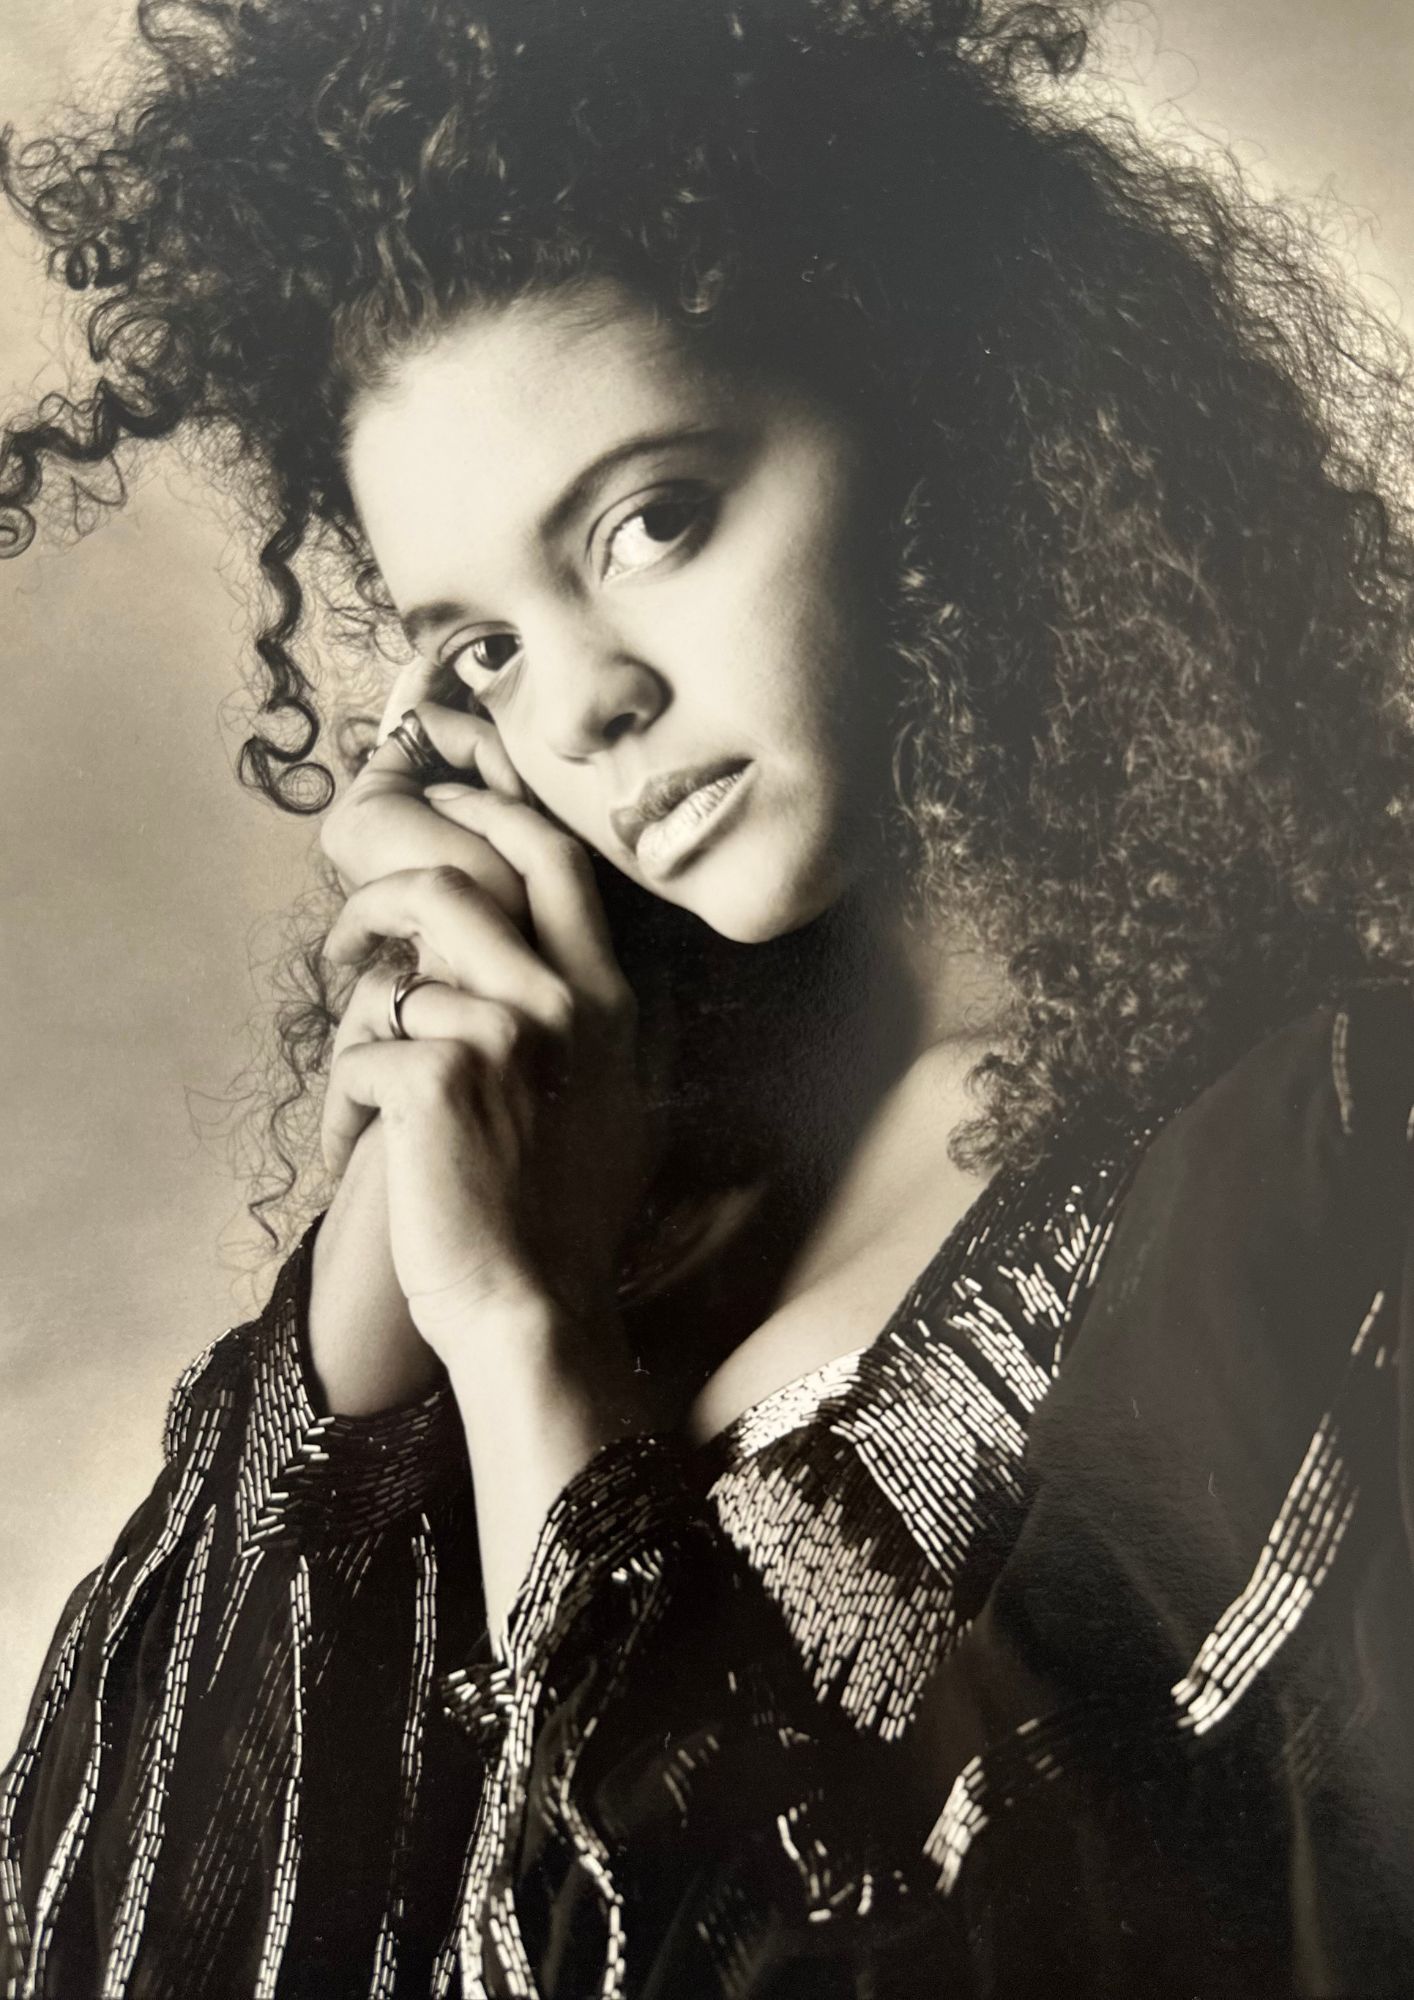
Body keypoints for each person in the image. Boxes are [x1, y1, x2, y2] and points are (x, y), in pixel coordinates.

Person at [3, 0, 1414, 1993]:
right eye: (481, 648)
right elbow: (100, 1934)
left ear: (938, 421)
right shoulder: (623, 1186)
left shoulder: (1332, 1152)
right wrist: (404, 1220)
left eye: (650, 519)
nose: (584, 702)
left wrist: (532, 1358)